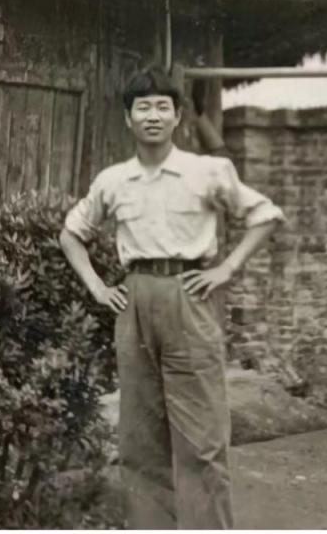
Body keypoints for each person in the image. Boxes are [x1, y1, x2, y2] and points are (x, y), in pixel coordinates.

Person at [59, 65, 284, 529]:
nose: (153, 116)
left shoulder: (207, 171)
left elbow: (265, 215)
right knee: (140, 441)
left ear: (178, 116)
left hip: (189, 295)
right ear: (128, 118)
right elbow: (71, 234)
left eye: (163, 107)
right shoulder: (113, 180)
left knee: (202, 441)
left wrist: (226, 268)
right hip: (135, 300)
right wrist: (98, 287)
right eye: (143, 108)